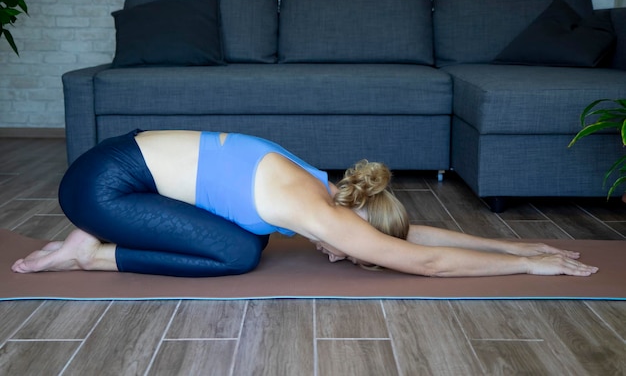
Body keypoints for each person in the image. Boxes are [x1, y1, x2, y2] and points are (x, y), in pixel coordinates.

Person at [12, 130, 598, 278]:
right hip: (99, 187)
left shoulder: (325, 185)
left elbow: (412, 235)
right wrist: (526, 266)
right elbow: (424, 262)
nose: (341, 256)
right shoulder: (319, 213)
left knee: (249, 238)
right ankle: (88, 255)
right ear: (354, 222)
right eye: (356, 251)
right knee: (239, 255)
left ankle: (87, 235)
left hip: (116, 164)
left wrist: (510, 242)